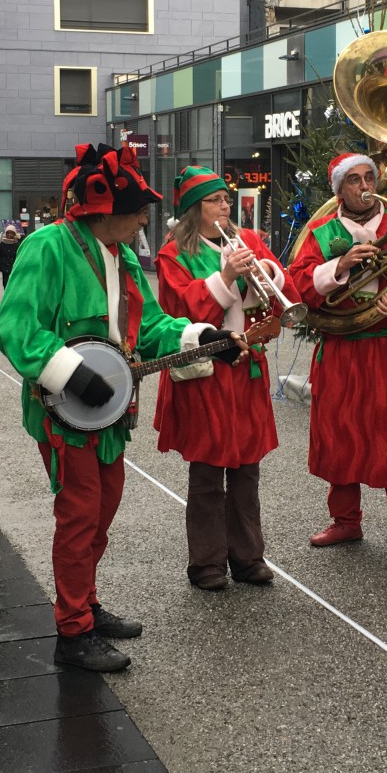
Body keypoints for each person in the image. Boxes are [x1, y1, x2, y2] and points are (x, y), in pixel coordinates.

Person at [0, 144, 242, 673]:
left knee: (102, 512)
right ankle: (73, 633)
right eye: (135, 213)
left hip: (108, 412)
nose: (142, 222)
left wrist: (203, 335)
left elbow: (151, 327)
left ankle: (83, 602)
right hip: (62, 411)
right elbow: (14, 328)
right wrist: (69, 372)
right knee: (79, 515)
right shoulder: (47, 247)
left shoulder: (123, 256)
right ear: (104, 211)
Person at [287, 153, 387, 557]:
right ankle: (346, 522)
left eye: (368, 177)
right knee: (339, 434)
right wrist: (338, 265)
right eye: (353, 180)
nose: (363, 185)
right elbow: (298, 287)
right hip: (341, 348)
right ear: (339, 190)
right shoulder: (321, 231)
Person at [154, 167, 296, 590]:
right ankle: (207, 563)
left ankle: (248, 556)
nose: (225, 206)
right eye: (215, 200)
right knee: (206, 473)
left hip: (247, 369)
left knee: (247, 470)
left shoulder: (248, 240)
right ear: (194, 209)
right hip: (206, 372)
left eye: (225, 199)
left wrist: (269, 276)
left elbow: (275, 289)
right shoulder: (172, 254)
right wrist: (226, 276)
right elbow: (179, 310)